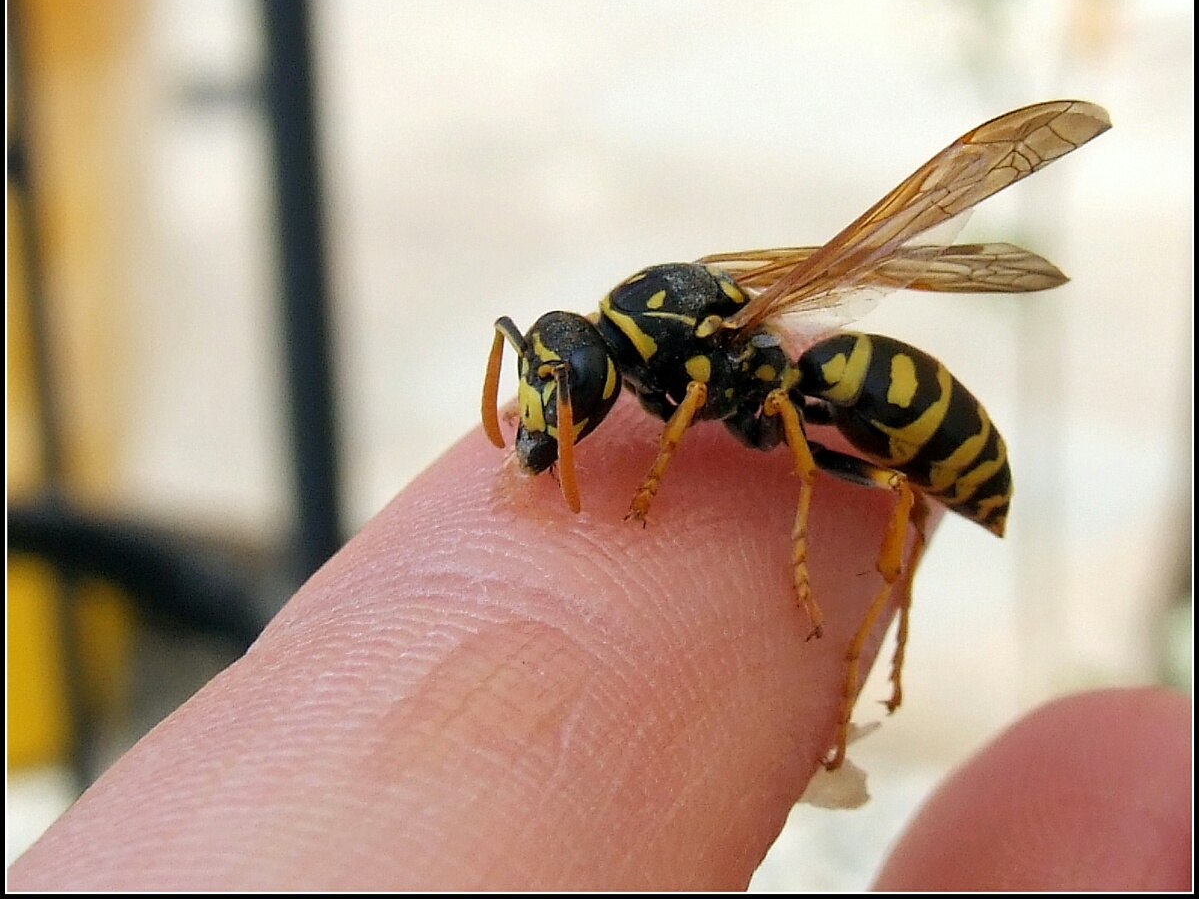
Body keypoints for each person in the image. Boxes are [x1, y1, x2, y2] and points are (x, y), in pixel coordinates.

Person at [9, 404, 1191, 889]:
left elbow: (763, 435)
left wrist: (782, 546)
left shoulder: (705, 384)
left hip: (898, 416)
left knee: (862, 482)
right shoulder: (655, 373)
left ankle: (879, 619)